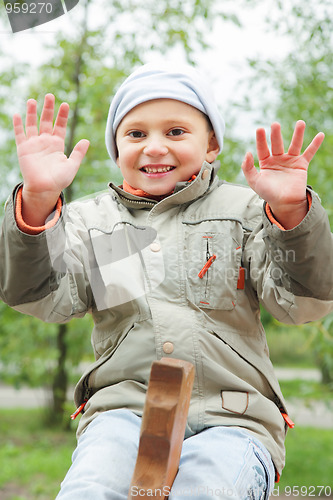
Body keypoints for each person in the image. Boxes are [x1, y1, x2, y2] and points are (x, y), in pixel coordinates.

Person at [1, 63, 333, 500]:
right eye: (136, 134)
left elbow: (302, 304)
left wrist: (292, 217)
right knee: (90, 490)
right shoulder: (92, 222)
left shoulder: (248, 211)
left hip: (233, 418)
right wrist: (39, 202)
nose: (154, 147)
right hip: (122, 412)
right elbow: (41, 298)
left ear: (211, 143)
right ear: (117, 148)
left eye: (176, 132)